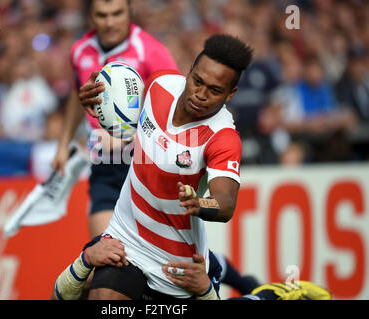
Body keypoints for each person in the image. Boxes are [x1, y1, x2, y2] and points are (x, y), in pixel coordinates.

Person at [77, 34, 253, 300]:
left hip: (174, 263)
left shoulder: (223, 137)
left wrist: (202, 204)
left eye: (215, 90)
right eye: (197, 81)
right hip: (126, 236)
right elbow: (128, 119)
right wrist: (101, 106)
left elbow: (225, 203)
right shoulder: (160, 83)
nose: (200, 95)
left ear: (231, 94)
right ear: (189, 71)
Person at [51, 0, 179, 238]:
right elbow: (77, 95)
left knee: (161, 263)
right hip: (105, 165)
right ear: (90, 16)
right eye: (102, 15)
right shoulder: (80, 50)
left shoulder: (152, 51)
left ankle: (234, 276)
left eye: (117, 14)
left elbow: (175, 111)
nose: (110, 23)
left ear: (130, 10)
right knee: (104, 256)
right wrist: (62, 144)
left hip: (146, 166)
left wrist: (132, 137)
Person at [51, 235, 332, 300]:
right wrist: (84, 261)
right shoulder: (107, 245)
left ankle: (271, 290)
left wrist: (207, 291)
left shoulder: (187, 254)